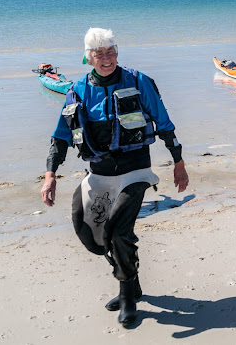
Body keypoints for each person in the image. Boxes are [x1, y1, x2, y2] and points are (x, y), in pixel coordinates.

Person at [40, 27, 189, 327]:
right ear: (88, 58)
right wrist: (50, 174)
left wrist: (178, 161)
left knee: (120, 231)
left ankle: (127, 294)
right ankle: (132, 281)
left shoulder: (138, 81)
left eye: (110, 52)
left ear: (117, 52)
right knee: (90, 231)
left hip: (135, 169)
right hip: (100, 173)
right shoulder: (78, 90)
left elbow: (163, 122)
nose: (106, 59)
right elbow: (61, 136)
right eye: (99, 54)